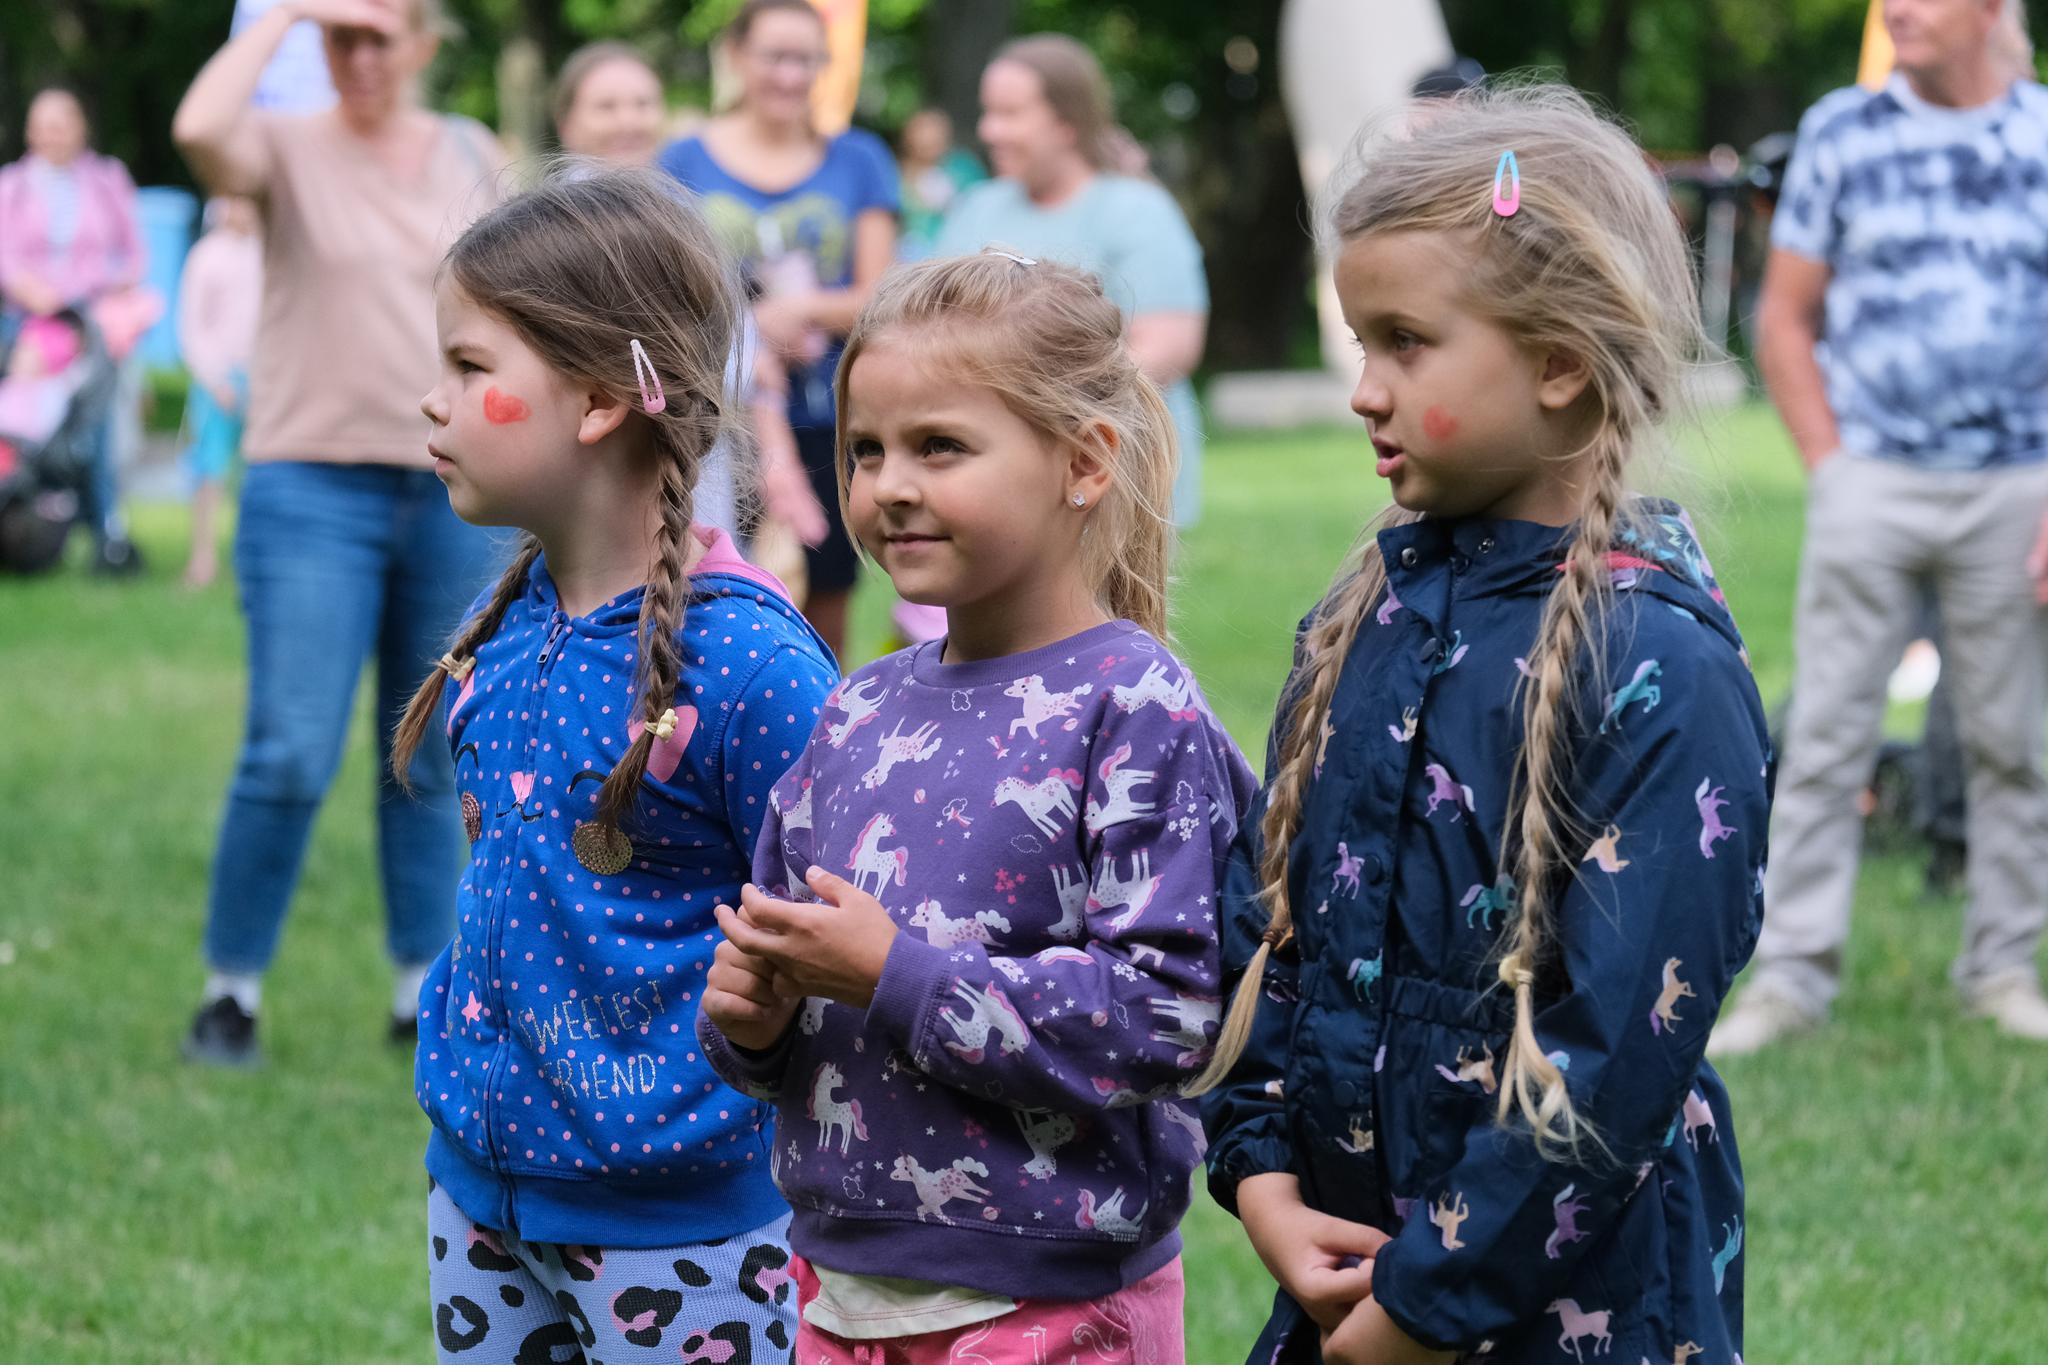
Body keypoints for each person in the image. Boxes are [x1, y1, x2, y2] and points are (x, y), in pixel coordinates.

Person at [1195, 86, 1770, 1365]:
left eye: (1404, 342)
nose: (1363, 391)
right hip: (1343, 1277)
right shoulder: (1360, 620)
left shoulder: (1658, 665)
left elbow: (1617, 1047)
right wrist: (1261, 1175)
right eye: (1359, 342)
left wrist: (1427, 1305)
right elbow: (1266, 924)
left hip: (1576, 1311)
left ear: (1558, 361)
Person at [696, 250, 1256, 1361]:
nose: (889, 484)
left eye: (939, 446)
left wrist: (893, 973)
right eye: (865, 450)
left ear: (1082, 463)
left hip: (1049, 1307)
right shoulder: (854, 711)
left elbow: (1163, 1016)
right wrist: (754, 1025)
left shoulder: (1131, 706)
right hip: (840, 1297)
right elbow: (796, 975)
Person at [386, 168, 834, 1365]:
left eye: (469, 367)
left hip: (687, 1234)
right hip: (481, 1198)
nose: (431, 400)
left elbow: (830, 950)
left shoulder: (750, 668)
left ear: (596, 401)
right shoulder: (505, 623)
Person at [172, 0, 506, 1064]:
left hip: (451, 487)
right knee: (288, 749)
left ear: (423, 41)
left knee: (430, 749)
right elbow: (195, 127)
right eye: (339, 35)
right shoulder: (283, 143)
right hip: (310, 485)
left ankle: (423, 991)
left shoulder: (472, 153)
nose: (357, 54)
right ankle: (231, 992)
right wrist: (285, 15)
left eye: (378, 33)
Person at [1713, 0, 2048, 1055]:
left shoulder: (2040, 137)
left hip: (2016, 488)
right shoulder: (1841, 133)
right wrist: (1832, 466)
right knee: (1823, 741)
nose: (1897, 7)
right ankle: (1790, 980)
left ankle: (2001, 969)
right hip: (1871, 484)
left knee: (2012, 746)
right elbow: (1783, 316)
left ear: (1989, 9)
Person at [657, 0, 899, 660]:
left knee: (824, 598)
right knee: (708, 598)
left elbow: (880, 294)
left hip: (831, 415)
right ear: (737, 57)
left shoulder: (860, 159)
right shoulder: (682, 161)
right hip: (718, 423)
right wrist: (746, 328)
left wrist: (800, 312)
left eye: (806, 59)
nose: (790, 75)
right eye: (775, 57)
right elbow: (667, 291)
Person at [553, 40, 826, 555]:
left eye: (642, 103)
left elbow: (736, 347)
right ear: (567, 122)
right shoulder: (554, 227)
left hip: (696, 457)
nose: (628, 120)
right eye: (607, 106)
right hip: (602, 455)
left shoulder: (677, 209)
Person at [935, 35, 1209, 527]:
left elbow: (1169, 347)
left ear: (1066, 123)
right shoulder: (976, 208)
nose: (989, 130)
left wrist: (1039, 414)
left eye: (1010, 113)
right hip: (983, 466)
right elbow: (929, 325)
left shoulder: (1136, 210)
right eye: (988, 112)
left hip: (1111, 466)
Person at [0, 87, 151, 571]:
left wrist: (103, 289)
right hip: (27, 326)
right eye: (43, 126)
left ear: (80, 128)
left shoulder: (106, 181)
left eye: (61, 124)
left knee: (95, 432)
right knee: (21, 427)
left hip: (89, 327)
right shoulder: (12, 186)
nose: (52, 135)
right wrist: (32, 292)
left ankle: (105, 528)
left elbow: (134, 254)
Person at [175, 196, 263, 589]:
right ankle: (203, 558)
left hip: (262, 376)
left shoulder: (265, 251)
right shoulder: (206, 256)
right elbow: (192, 327)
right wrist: (214, 379)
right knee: (208, 468)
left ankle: (249, 554)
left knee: (256, 473)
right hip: (219, 380)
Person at [895, 108, 983, 259]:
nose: (928, 138)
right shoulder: (899, 174)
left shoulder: (963, 167)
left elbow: (979, 205)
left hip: (957, 253)